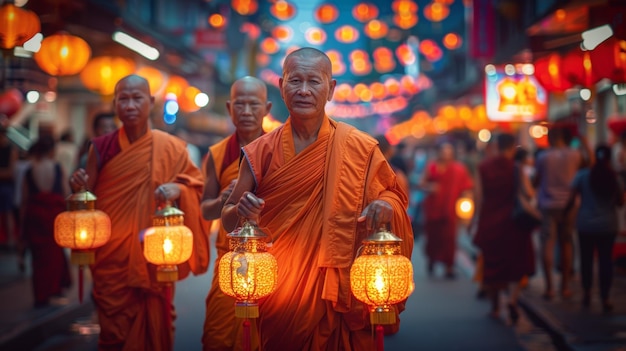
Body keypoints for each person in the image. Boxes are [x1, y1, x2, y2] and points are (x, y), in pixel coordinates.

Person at [220, 48, 414, 351]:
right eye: (295, 81)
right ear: (282, 87)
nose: (304, 91)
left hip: (337, 288)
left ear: (331, 88)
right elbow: (228, 218)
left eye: (314, 81)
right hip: (279, 293)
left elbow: (392, 194)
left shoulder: (359, 147)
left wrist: (386, 205)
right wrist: (242, 213)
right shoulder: (261, 151)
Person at [69, 75, 210, 351]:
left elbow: (197, 188)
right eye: (124, 98)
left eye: (137, 98)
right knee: (113, 332)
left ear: (152, 102)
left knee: (154, 325)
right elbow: (88, 199)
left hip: (155, 255)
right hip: (112, 257)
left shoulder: (170, 147)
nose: (130, 105)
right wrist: (78, 188)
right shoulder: (101, 147)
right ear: (115, 103)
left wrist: (178, 190)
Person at [201, 76, 271, 351]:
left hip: (272, 259)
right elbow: (206, 211)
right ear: (229, 108)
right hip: (230, 258)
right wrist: (223, 199)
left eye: (253, 105)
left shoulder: (280, 150)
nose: (246, 112)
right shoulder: (217, 154)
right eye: (239, 105)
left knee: (267, 337)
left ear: (266, 108)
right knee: (218, 336)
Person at [473, 134, 535, 324]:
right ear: (512, 147)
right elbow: (529, 193)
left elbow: (479, 196)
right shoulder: (516, 168)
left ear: (497, 146)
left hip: (490, 222)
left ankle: (495, 308)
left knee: (492, 266)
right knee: (517, 263)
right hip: (513, 223)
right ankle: (512, 299)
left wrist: (472, 221)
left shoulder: (483, 167)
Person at [564, 144, 623, 312]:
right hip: (608, 225)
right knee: (606, 261)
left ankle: (587, 293)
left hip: (585, 225)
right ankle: (605, 298)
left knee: (586, 260)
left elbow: (571, 198)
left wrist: (565, 214)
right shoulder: (614, 177)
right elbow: (620, 202)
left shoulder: (583, 175)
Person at [534, 126, 591, 300]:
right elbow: (591, 164)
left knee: (548, 244)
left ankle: (550, 287)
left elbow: (536, 180)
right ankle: (565, 287)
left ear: (551, 138)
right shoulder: (575, 155)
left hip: (548, 204)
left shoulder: (543, 157)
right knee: (566, 242)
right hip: (570, 205)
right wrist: (585, 144)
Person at [20, 135, 72, 307]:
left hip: (35, 217)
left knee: (38, 258)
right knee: (55, 256)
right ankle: (53, 291)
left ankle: (40, 295)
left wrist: (22, 225)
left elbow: (24, 199)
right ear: (51, 151)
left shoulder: (29, 170)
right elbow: (65, 193)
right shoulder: (57, 167)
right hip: (54, 216)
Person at [420, 142, 473, 278]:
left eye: (449, 152)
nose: (446, 155)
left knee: (449, 239)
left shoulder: (459, 169)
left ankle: (449, 267)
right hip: (433, 208)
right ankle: (431, 260)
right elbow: (422, 183)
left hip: (450, 209)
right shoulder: (431, 166)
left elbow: (466, 187)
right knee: (433, 237)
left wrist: (466, 202)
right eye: (444, 151)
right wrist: (429, 187)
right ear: (439, 152)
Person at [0, 126, 17, 249]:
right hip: (6, 185)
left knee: (8, 213)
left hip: (6, 186)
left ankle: (10, 239)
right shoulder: (11, 149)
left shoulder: (11, 149)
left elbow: (11, 172)